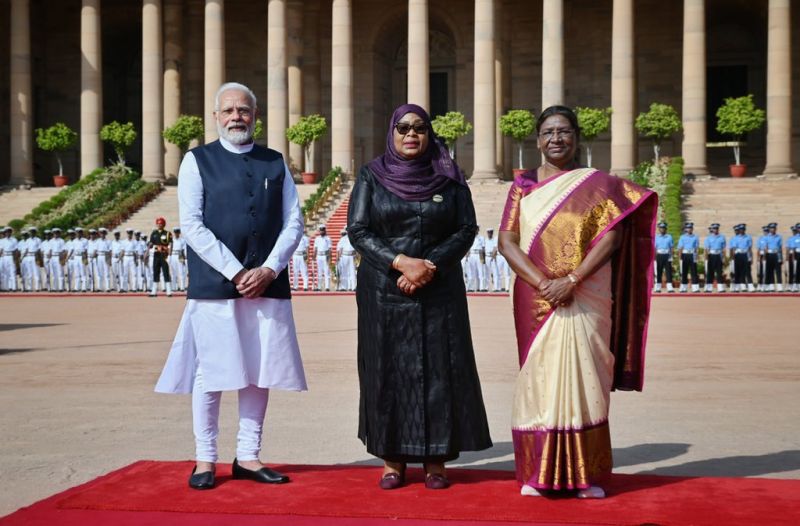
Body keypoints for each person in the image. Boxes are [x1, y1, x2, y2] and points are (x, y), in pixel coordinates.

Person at [498, 105, 655, 499]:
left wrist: (572, 280)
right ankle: (538, 474)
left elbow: (611, 238)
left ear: (577, 137)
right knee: (539, 380)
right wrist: (543, 283)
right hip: (535, 300)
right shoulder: (523, 187)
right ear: (537, 140)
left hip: (586, 293)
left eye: (564, 131)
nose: (556, 138)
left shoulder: (600, 185)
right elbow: (507, 241)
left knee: (587, 379)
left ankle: (586, 475)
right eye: (548, 131)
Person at [155, 82, 306, 490]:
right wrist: (238, 272)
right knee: (212, 372)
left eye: (244, 110)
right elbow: (193, 226)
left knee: (260, 370)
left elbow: (294, 222)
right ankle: (205, 458)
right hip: (217, 285)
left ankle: (249, 455)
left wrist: (270, 269)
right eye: (228, 110)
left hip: (268, 284)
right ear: (216, 117)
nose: (236, 116)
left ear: (255, 115)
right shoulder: (196, 161)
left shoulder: (275, 162)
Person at [348, 103, 492, 490]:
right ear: (391, 134)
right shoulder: (371, 176)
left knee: (440, 370)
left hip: (439, 289)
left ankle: (436, 460)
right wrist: (400, 263)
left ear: (429, 134)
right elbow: (359, 231)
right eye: (403, 128)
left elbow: (466, 229)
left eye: (420, 128)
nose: (411, 134)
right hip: (384, 290)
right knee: (386, 371)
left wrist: (428, 265)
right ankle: (391, 459)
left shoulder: (448, 176)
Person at [148, 217, 174, 297]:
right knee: (156, 271)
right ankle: (154, 291)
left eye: (161, 223)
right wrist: (150, 245)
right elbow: (151, 243)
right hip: (156, 255)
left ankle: (169, 291)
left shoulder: (167, 233)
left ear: (164, 224)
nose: (159, 225)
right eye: (158, 223)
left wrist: (169, 254)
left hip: (164, 255)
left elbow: (171, 244)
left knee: (166, 272)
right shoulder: (154, 233)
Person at [729, 224, 755, 292]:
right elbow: (733, 249)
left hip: (745, 254)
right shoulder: (735, 238)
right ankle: (737, 287)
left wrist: (751, 257)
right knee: (737, 271)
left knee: (747, 271)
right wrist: (733, 258)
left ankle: (750, 286)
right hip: (738, 255)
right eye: (740, 229)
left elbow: (749, 248)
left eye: (743, 229)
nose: (741, 231)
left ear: (744, 230)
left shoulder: (748, 237)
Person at [677, 222, 700, 293]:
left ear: (692, 229)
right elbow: (680, 248)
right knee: (684, 272)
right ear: (686, 229)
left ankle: (695, 288)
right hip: (685, 254)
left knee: (694, 271)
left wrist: (696, 256)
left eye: (690, 228)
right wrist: (680, 257)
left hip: (692, 254)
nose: (689, 229)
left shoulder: (695, 237)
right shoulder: (682, 237)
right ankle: (683, 288)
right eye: (688, 228)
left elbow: (696, 248)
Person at [703, 223, 726, 292]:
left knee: (719, 272)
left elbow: (723, 248)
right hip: (711, 255)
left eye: (717, 228)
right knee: (710, 272)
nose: (715, 230)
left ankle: (720, 288)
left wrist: (724, 257)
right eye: (714, 229)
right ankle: (709, 288)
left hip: (719, 255)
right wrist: (706, 258)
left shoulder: (722, 237)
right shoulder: (708, 238)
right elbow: (706, 249)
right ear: (712, 230)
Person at [653, 221, 674, 293]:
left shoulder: (669, 237)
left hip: (667, 255)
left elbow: (671, 247)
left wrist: (671, 256)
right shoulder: (656, 237)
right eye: (661, 228)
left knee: (668, 271)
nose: (662, 229)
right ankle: (658, 287)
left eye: (663, 228)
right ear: (659, 229)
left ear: (666, 229)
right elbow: (654, 248)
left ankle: (670, 287)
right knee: (659, 272)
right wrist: (654, 258)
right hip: (659, 255)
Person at [763, 222, 783, 292]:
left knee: (778, 271)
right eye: (771, 228)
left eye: (774, 228)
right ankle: (771, 285)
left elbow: (780, 248)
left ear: (776, 229)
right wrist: (764, 257)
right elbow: (765, 247)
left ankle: (779, 286)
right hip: (769, 254)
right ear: (769, 229)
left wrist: (781, 258)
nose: (772, 229)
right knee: (769, 270)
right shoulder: (766, 237)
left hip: (776, 254)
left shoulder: (779, 237)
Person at [313, 225, 332, 291]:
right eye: (320, 230)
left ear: (325, 230)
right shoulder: (317, 239)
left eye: (323, 230)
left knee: (326, 272)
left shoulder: (328, 238)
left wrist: (330, 258)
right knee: (319, 272)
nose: (321, 232)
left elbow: (330, 249)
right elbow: (315, 248)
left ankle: (327, 287)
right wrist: (314, 257)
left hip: (325, 256)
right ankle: (319, 287)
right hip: (319, 256)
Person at [169, 227, 188, 292]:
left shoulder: (182, 240)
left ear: (179, 233)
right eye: (175, 232)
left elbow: (183, 250)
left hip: (179, 256)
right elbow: (170, 249)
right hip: (173, 256)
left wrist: (183, 259)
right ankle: (174, 287)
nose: (176, 234)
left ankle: (182, 287)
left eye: (177, 232)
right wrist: (169, 257)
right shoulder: (171, 240)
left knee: (181, 272)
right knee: (173, 273)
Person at [787, 224, 800, 292]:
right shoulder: (794, 238)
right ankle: (794, 284)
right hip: (796, 254)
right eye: (798, 228)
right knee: (795, 270)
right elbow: (793, 248)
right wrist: (793, 257)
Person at [756, 225, 769, 291]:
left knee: (767, 271)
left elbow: (767, 248)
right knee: (760, 271)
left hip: (768, 255)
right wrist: (758, 257)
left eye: (767, 231)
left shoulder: (769, 238)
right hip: (761, 255)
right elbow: (758, 248)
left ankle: (766, 285)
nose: (766, 232)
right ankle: (759, 284)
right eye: (765, 231)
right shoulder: (760, 238)